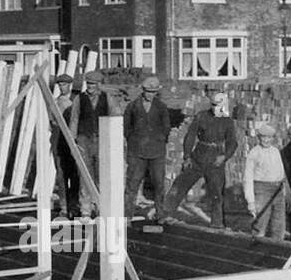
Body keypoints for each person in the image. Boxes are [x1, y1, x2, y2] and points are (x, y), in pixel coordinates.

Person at [161, 91, 239, 228]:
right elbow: (190, 137)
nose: (216, 108)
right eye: (213, 105)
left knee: (217, 194)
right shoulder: (202, 116)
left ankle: (217, 224)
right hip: (198, 156)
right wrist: (186, 157)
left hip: (216, 160)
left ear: (224, 105)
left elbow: (233, 143)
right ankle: (164, 214)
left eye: (219, 105)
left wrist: (225, 156)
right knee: (179, 185)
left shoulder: (227, 121)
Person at [122, 75, 170, 220]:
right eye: (148, 91)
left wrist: (160, 139)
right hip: (137, 152)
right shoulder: (133, 106)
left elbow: (166, 127)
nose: (151, 94)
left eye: (154, 92)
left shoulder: (161, 107)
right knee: (132, 184)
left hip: (156, 152)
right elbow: (126, 127)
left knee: (159, 184)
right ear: (143, 91)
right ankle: (127, 215)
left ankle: (160, 214)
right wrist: (133, 141)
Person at [73, 70, 111, 216]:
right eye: (88, 83)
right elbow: (74, 119)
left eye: (93, 84)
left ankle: (101, 207)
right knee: (85, 175)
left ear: (99, 85)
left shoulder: (106, 98)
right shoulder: (79, 99)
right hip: (84, 139)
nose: (90, 86)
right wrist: (73, 141)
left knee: (102, 174)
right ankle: (85, 209)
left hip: (102, 139)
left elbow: (114, 116)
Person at [244, 122, 288, 239]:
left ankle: (278, 250)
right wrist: (251, 201)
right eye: (263, 137)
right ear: (259, 138)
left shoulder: (276, 151)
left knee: (278, 224)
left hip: (278, 190)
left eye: (269, 137)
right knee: (260, 223)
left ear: (273, 138)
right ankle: (256, 249)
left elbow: (281, 173)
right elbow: (247, 178)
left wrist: (284, 192)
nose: (266, 140)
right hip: (262, 189)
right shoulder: (254, 153)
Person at [50, 73, 78, 217]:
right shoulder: (55, 102)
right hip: (58, 141)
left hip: (72, 142)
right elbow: (52, 123)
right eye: (60, 85)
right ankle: (64, 206)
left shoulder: (75, 102)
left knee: (75, 175)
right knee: (61, 175)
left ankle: (74, 206)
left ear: (70, 85)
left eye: (65, 85)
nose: (62, 87)